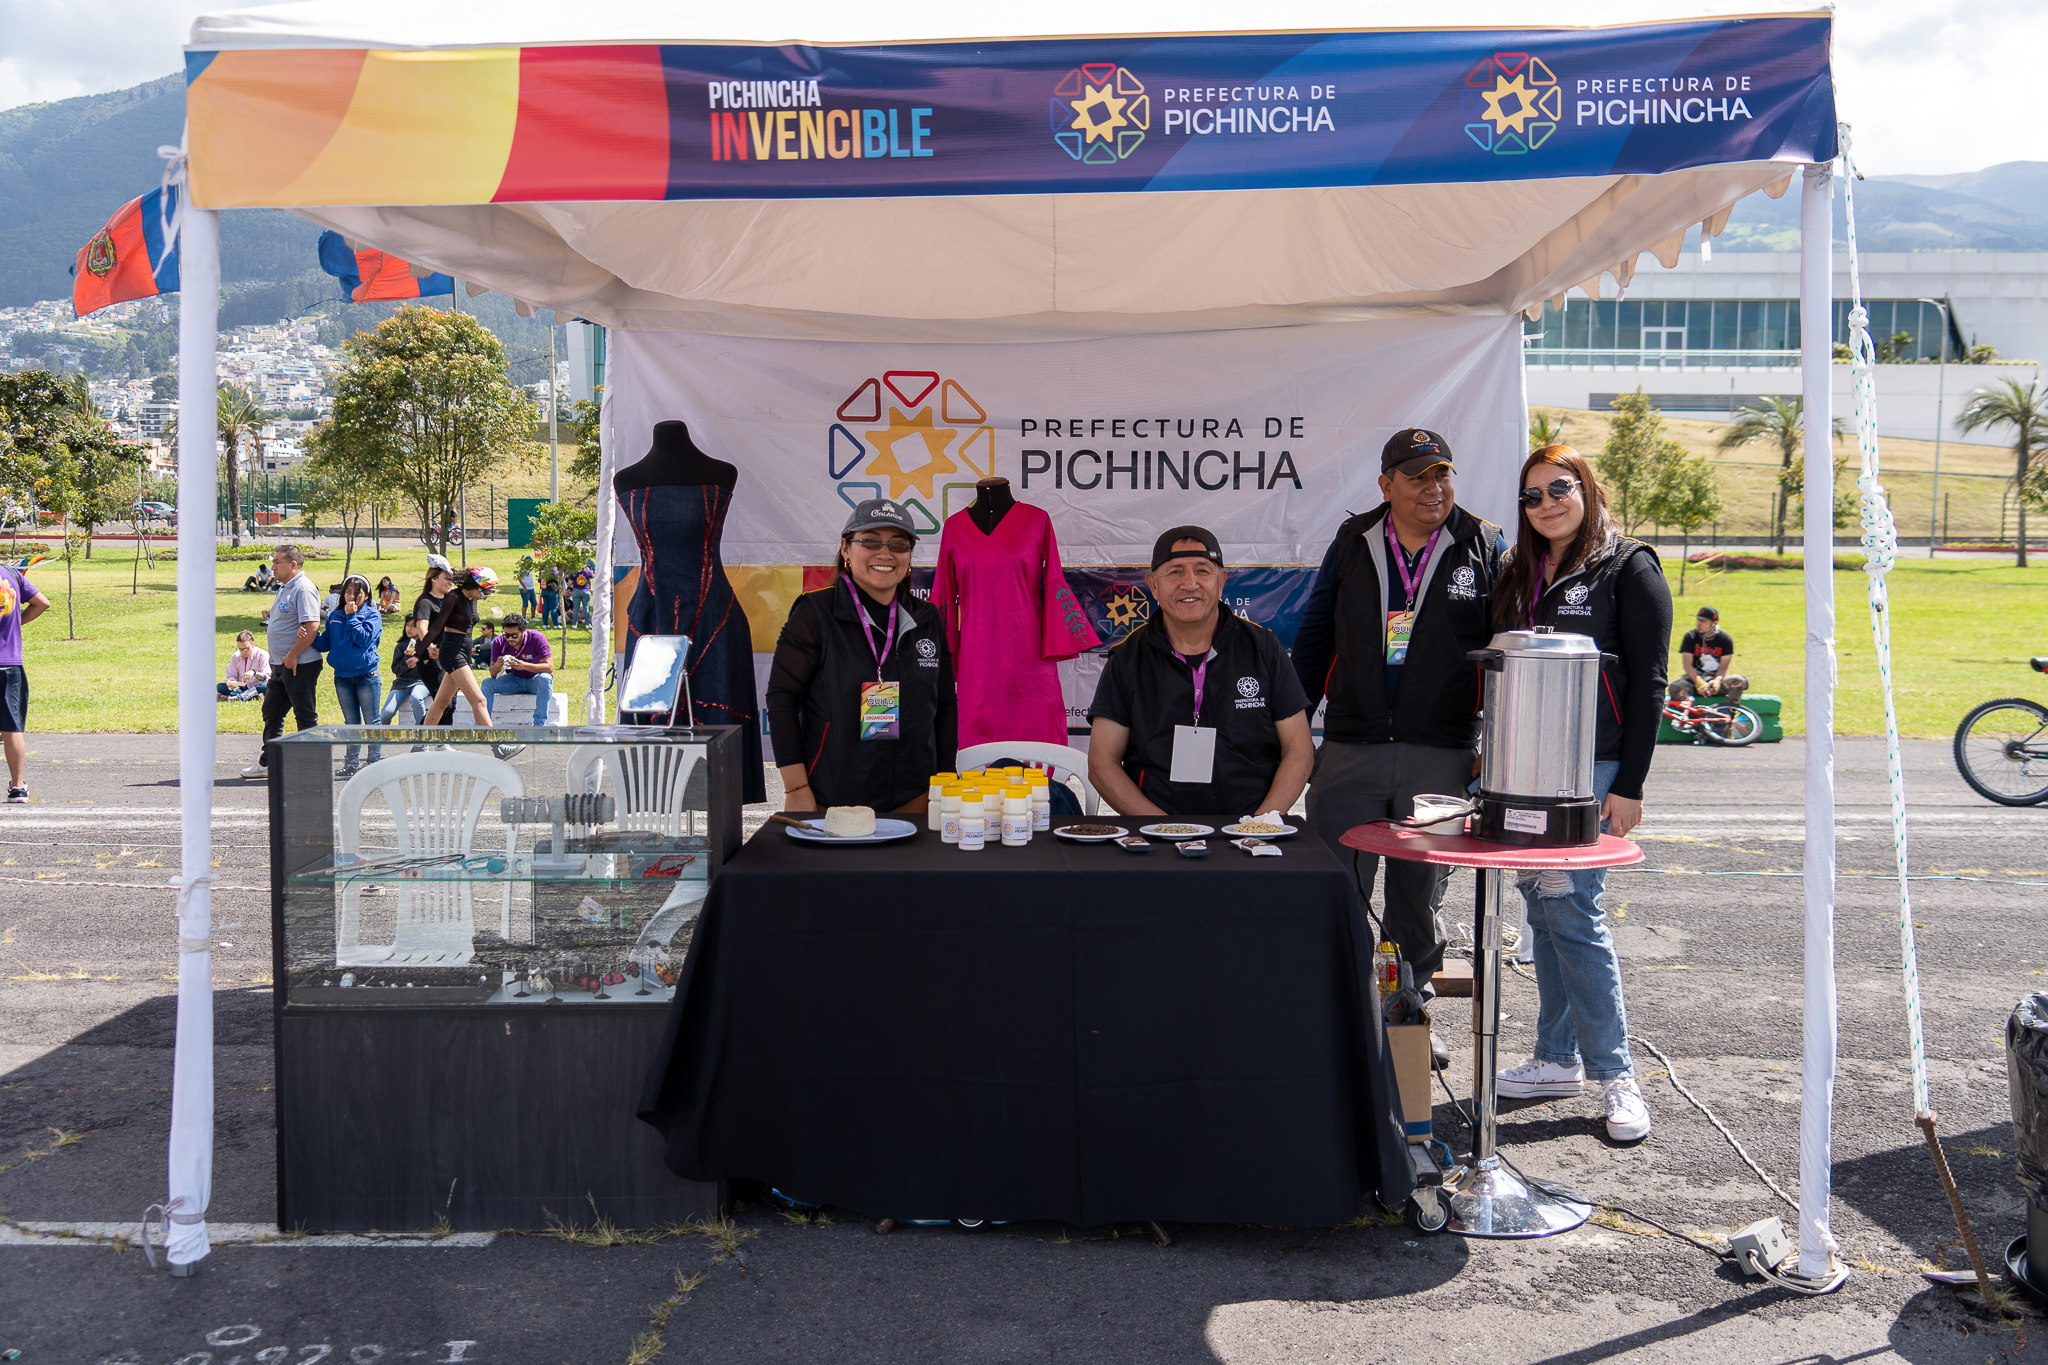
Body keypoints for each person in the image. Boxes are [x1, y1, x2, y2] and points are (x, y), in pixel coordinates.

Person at [1292, 428, 1504, 1055]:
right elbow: (1316, 636)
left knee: (1418, 894)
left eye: (1442, 474)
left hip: (1441, 752)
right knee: (1339, 884)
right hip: (1351, 746)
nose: (1433, 488)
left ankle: (1409, 1017)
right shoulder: (1353, 540)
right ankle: (1344, 1013)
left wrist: (1493, 746)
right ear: (1386, 486)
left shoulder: (1484, 542)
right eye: (1417, 477)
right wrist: (1296, 730)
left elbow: (1504, 654)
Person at [1489, 445, 1672, 1143]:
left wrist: (1630, 784)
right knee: (1546, 913)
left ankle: (1615, 1073)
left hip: (1591, 769)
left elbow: (1650, 682)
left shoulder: (1629, 567)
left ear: (1588, 489)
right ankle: (1556, 1058)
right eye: (1531, 496)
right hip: (1521, 769)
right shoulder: (1519, 571)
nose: (1546, 504)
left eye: (1559, 488)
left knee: (1573, 911)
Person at [1088, 526, 1313, 818]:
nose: (1189, 584)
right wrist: (1165, 829)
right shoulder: (1127, 659)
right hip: (1157, 831)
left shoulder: (1263, 648)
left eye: (1202, 571)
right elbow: (1102, 763)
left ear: (1221, 582)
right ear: (1153, 586)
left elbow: (1299, 749)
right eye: (1175, 572)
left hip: (1250, 825)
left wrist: (1260, 824)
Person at [765, 499, 956, 813]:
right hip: (835, 802)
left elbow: (945, 705)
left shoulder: (927, 618)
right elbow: (782, 700)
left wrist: (945, 782)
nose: (885, 554)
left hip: (916, 798)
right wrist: (796, 787)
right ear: (846, 549)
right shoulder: (815, 614)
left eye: (898, 544)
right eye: (870, 541)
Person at [243, 544, 325, 779]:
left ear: (293, 564)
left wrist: (292, 655)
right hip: (280, 664)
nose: (272, 567)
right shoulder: (285, 587)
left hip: (299, 664)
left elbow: (312, 627)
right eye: (273, 561)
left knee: (304, 715)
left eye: (277, 562)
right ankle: (269, 763)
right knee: (271, 711)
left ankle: (310, 768)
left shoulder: (303, 588)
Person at [316, 574, 385, 776]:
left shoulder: (373, 615)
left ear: (367, 595)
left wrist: (352, 617)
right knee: (351, 723)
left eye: (357, 593)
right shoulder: (335, 616)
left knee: (372, 721)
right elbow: (326, 644)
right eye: (347, 592)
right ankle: (351, 765)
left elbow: (363, 639)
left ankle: (374, 764)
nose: (352, 597)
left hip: (367, 676)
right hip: (342, 677)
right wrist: (310, 636)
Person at [419, 565, 501, 730]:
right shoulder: (453, 597)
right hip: (453, 652)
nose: (484, 597)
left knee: (441, 702)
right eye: (484, 592)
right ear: (473, 585)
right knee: (480, 701)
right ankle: (495, 742)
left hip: (462, 651)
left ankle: (422, 739)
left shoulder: (471, 599)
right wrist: (420, 652)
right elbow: (437, 626)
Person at [0, 558, 51, 803]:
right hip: (8, 662)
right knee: (11, 726)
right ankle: (18, 787)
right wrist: (15, 624)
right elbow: (42, 603)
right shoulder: (11, 573)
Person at [481, 613, 556, 727]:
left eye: (514, 635)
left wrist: (524, 666)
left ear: (524, 631)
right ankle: (484, 725)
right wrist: (498, 665)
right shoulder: (499, 641)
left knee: (545, 679)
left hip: (534, 679)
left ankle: (539, 725)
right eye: (507, 635)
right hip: (513, 680)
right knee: (487, 683)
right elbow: (492, 673)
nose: (510, 639)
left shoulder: (537, 638)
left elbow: (549, 667)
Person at [1670, 605, 1747, 709]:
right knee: (1676, 687)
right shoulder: (1690, 637)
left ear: (1714, 623)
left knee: (1738, 681)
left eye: (1703, 621)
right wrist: (1698, 681)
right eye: (1698, 620)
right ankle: (1695, 713)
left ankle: (1728, 713)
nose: (1698, 624)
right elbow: (1688, 665)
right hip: (1694, 680)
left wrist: (1717, 680)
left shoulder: (1725, 639)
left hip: (1716, 681)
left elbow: (1723, 668)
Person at [411, 561, 457, 732]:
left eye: (452, 580)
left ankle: (435, 739)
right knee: (443, 702)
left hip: (448, 657)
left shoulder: (449, 600)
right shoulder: (425, 601)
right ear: (434, 579)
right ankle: (424, 738)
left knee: (450, 703)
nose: (450, 583)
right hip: (430, 659)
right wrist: (429, 646)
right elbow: (422, 627)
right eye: (447, 579)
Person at [377, 615, 430, 727]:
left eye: (413, 626)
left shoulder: (428, 646)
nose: (409, 629)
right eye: (407, 625)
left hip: (422, 682)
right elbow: (396, 670)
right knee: (385, 714)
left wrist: (419, 659)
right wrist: (407, 658)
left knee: (416, 697)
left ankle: (422, 730)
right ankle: (383, 735)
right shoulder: (401, 646)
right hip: (402, 684)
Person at [219, 631, 270, 700]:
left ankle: (236, 697)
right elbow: (231, 675)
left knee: (266, 685)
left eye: (246, 649)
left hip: (257, 686)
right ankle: (252, 696)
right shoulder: (236, 656)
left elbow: (266, 677)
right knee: (220, 687)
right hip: (241, 687)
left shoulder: (262, 655)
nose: (243, 652)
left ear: (253, 644)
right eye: (240, 649)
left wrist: (254, 672)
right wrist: (231, 682)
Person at [570, 563, 594, 629]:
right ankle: (587, 624)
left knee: (576, 609)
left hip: (576, 590)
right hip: (586, 590)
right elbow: (592, 575)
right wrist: (588, 570)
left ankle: (574, 624)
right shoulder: (586, 570)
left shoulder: (574, 571)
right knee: (586, 608)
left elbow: (570, 582)